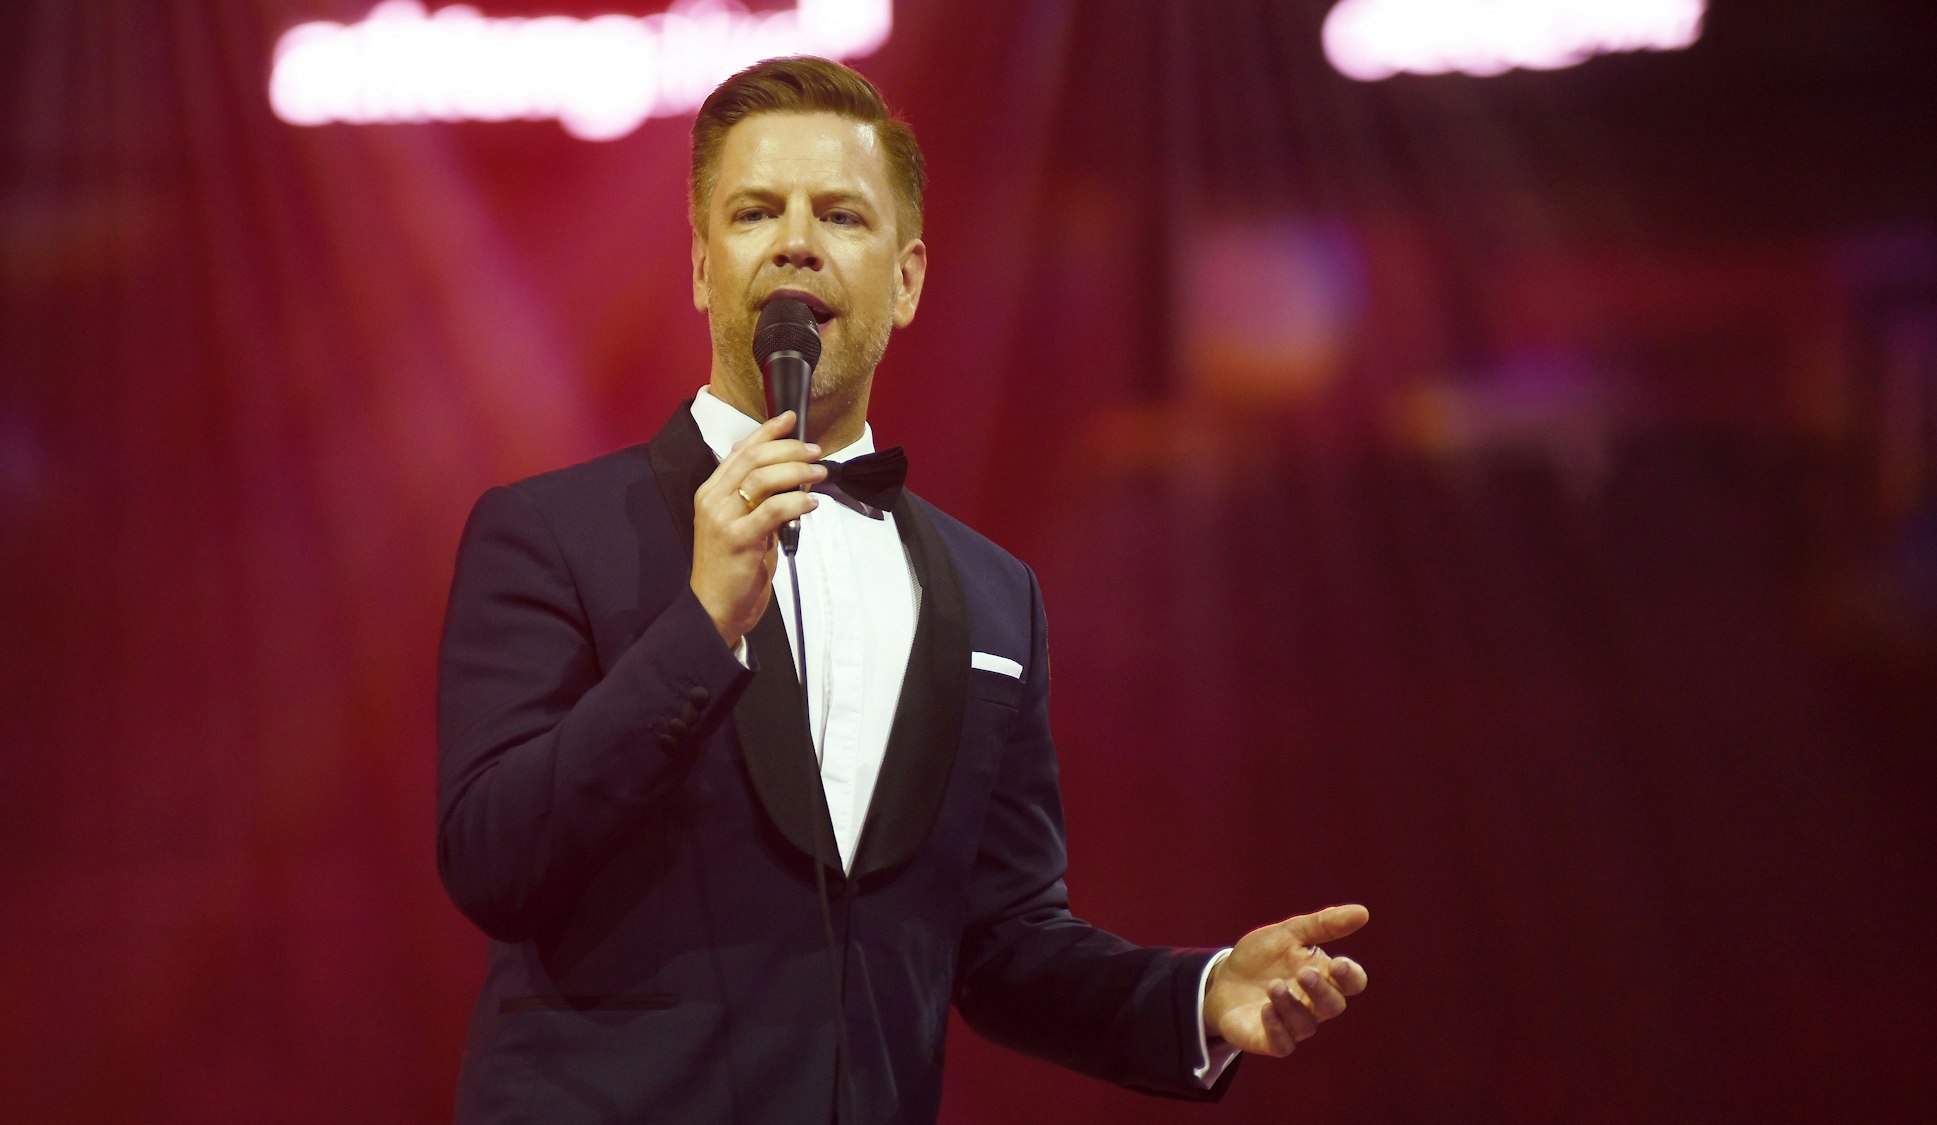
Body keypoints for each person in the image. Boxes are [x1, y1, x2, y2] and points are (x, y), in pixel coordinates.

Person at [436, 55, 1369, 1125]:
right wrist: (698, 628)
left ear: (909, 278)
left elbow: (1004, 941)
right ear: (700, 266)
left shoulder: (994, 595)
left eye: (840, 214)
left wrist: (1197, 997)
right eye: (754, 212)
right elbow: (493, 861)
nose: (796, 241)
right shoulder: (550, 535)